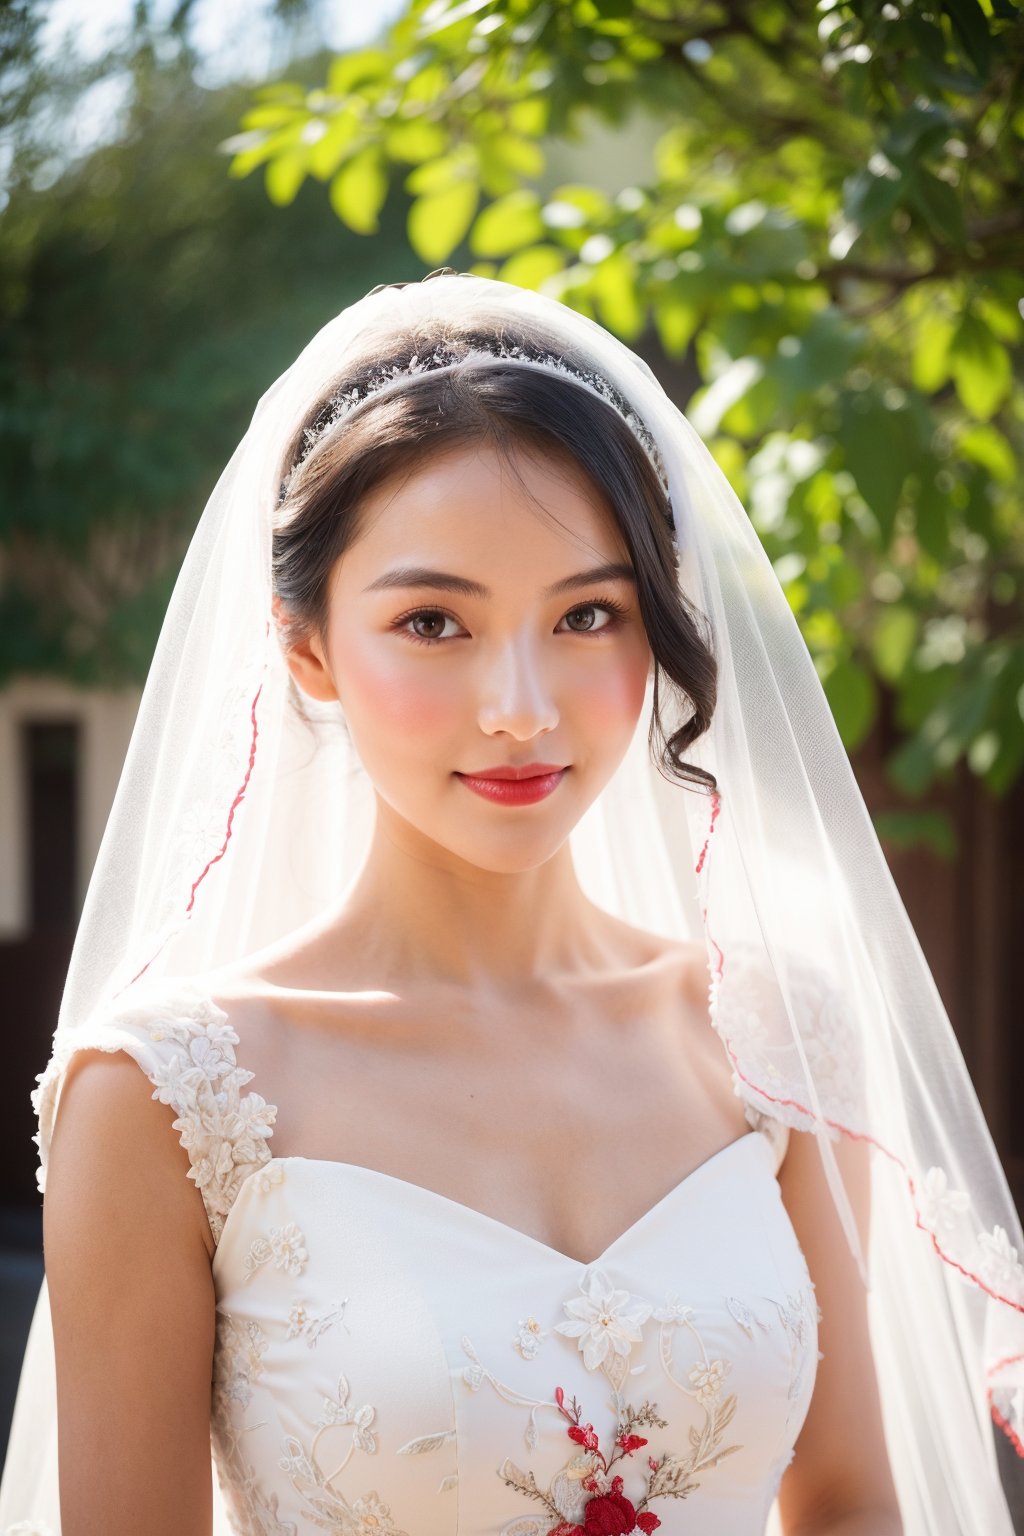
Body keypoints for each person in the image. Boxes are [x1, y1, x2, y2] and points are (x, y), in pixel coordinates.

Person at [0, 271, 1020, 1536]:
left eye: (588, 613)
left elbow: (853, 1501)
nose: (522, 708)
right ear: (307, 647)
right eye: (434, 622)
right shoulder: (163, 1098)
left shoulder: (769, 1033)